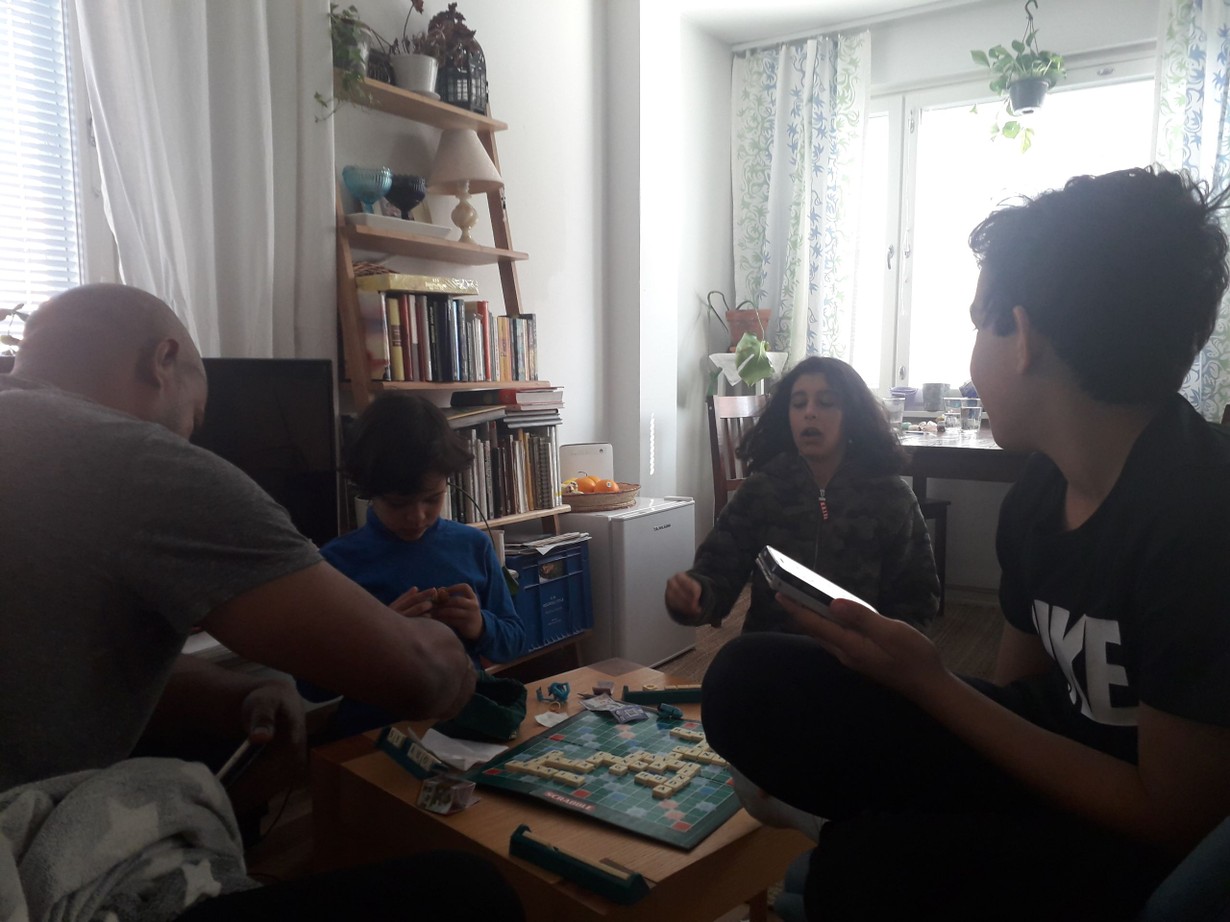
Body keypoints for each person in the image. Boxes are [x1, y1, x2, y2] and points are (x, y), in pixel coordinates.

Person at [700, 167, 1230, 921]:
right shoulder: (1042, 493)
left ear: (1022, 337)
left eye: (979, 323)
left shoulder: (1200, 517)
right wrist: (917, 681)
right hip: (1047, 766)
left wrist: (933, 685)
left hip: (1141, 837)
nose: (973, 356)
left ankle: (859, 833)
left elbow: (1176, 820)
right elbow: (1016, 708)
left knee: (857, 871)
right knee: (745, 681)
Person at [0, 284, 522, 918]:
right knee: (473, 892)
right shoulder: (135, 461)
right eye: (196, 418)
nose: (189, 440)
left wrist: (232, 691)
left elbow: (55, 667)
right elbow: (424, 678)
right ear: (163, 361)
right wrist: (428, 649)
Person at [303, 392, 525, 737]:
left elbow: (515, 642)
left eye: (432, 499)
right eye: (398, 503)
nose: (417, 516)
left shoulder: (472, 546)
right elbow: (311, 687)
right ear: (369, 491)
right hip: (373, 735)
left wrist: (480, 625)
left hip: (462, 730)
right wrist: (381, 636)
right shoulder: (337, 563)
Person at [665, 355, 939, 634]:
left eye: (826, 402)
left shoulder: (891, 498)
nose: (809, 412)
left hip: (857, 653)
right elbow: (718, 569)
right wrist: (695, 592)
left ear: (852, 414)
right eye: (798, 403)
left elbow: (917, 599)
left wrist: (884, 646)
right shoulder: (762, 490)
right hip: (772, 648)